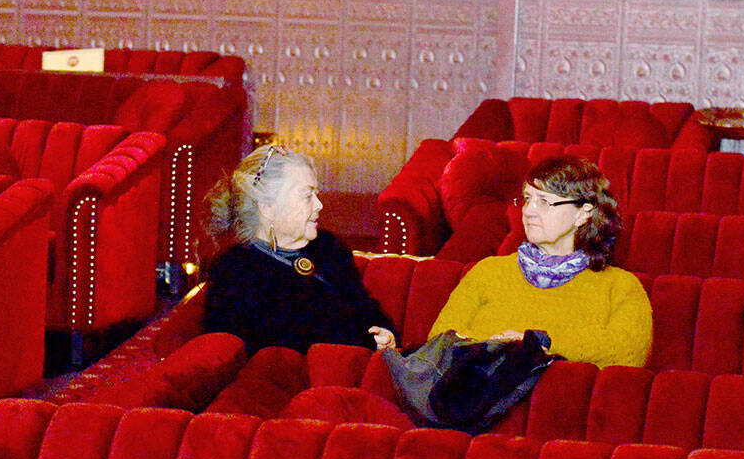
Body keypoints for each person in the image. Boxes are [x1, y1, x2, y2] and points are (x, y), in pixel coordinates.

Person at [428, 154, 652, 367]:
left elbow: (629, 352)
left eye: (544, 202)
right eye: (527, 199)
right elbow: (439, 340)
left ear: (583, 213)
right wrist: (499, 347)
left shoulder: (620, 286)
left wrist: (540, 344)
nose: (528, 212)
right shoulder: (487, 271)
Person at [203, 143, 396, 354]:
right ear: (267, 207)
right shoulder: (234, 270)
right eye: (307, 196)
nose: (319, 205)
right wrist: (364, 341)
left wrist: (386, 333)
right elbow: (281, 342)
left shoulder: (328, 247)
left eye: (316, 194)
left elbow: (363, 305)